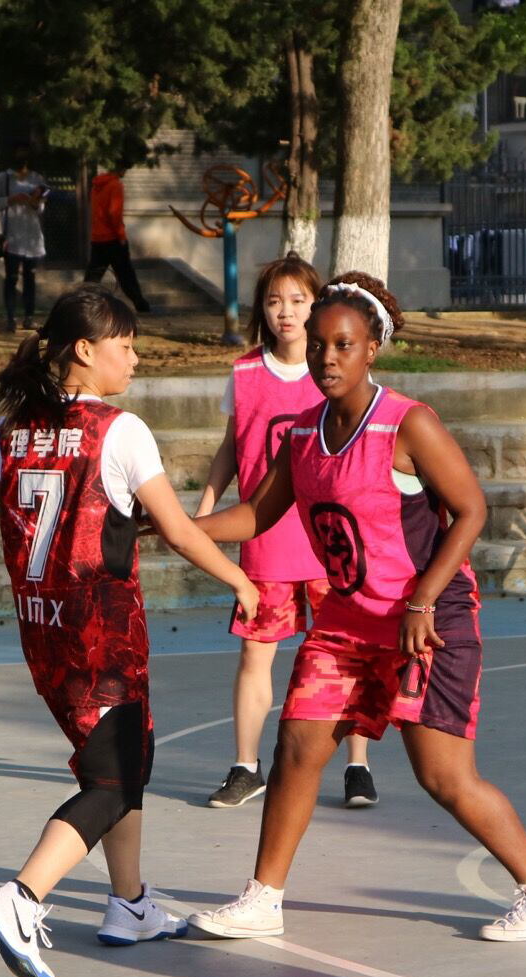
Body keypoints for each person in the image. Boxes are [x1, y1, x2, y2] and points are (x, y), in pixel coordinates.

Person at [0, 286, 260, 977]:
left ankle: (130, 902)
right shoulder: (121, 431)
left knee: (119, 760)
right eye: (126, 346)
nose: (136, 359)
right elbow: (177, 530)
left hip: (43, 633)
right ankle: (21, 898)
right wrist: (239, 579)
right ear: (85, 349)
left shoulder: (10, 431)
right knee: (115, 776)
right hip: (102, 633)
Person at [186, 273, 526, 944]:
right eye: (318, 345)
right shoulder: (303, 433)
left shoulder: (407, 423)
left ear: (372, 349)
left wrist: (423, 600)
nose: (326, 358)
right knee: (297, 746)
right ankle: (262, 898)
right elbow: (256, 514)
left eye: (343, 345)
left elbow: (471, 510)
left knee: (443, 776)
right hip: (346, 624)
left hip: (425, 621)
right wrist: (176, 526)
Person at [195, 255, 377, 812]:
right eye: (274, 301)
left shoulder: (337, 372)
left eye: (298, 300)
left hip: (329, 540)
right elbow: (232, 447)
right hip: (266, 540)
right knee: (256, 653)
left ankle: (357, 766)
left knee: (348, 653)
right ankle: (245, 766)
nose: (285, 312)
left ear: (317, 306)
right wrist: (204, 510)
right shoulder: (245, 373)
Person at [0, 148, 49, 331]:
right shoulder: (4, 178)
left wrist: (34, 201)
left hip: (32, 238)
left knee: (30, 279)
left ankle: (29, 317)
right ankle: (10, 318)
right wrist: (12, 199)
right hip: (12, 238)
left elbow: (41, 208)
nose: (22, 162)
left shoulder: (36, 178)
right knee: (11, 278)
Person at [83, 169, 149, 313]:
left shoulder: (96, 186)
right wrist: (121, 236)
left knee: (93, 275)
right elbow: (114, 213)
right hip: (113, 239)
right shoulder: (115, 185)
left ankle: (82, 303)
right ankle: (141, 305)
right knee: (126, 275)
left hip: (98, 237)